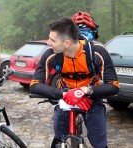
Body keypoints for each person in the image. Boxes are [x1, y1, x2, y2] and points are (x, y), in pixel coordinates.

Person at [29, 17, 119, 148]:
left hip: (91, 99)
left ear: (67, 43)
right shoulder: (51, 54)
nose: (48, 43)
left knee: (99, 143)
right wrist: (64, 94)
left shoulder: (97, 52)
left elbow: (114, 86)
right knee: (60, 139)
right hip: (65, 99)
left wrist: (85, 91)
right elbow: (34, 85)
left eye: (52, 40)